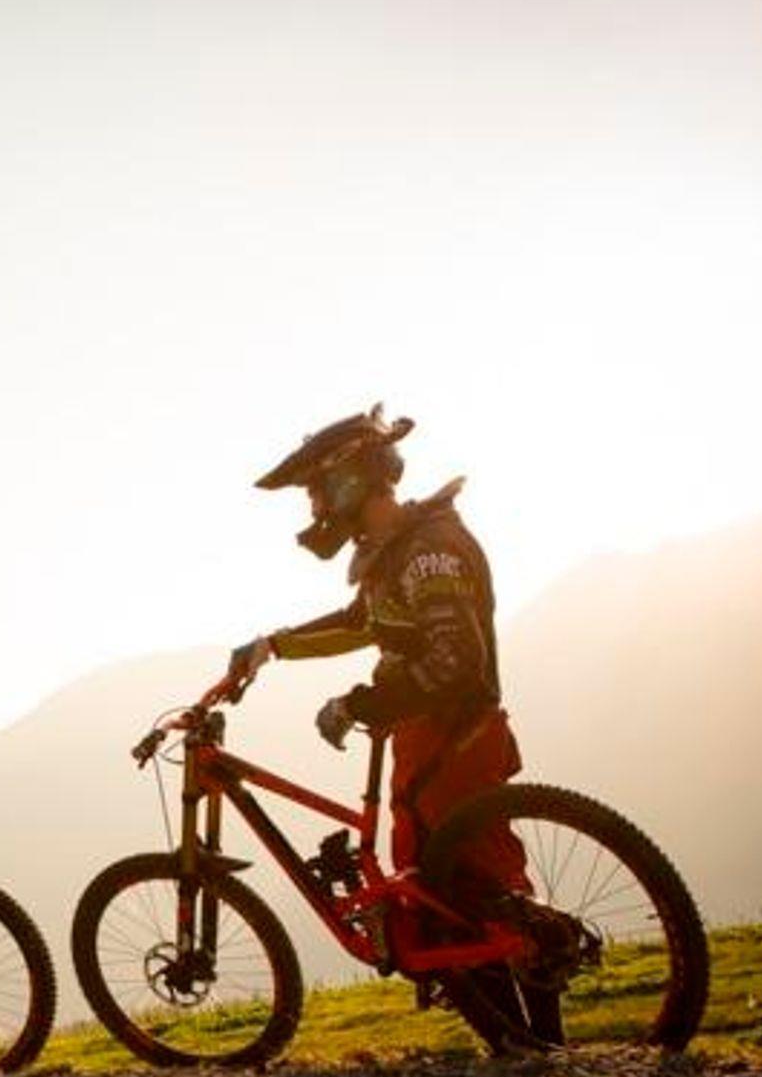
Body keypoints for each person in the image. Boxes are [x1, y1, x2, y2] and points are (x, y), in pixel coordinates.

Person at [228, 404, 557, 1042]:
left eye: (318, 490)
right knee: (455, 892)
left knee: (471, 892)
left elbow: (455, 661)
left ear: (350, 480)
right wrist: (273, 646)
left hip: (454, 735)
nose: (315, 507)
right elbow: (361, 623)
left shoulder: (429, 552)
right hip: (428, 736)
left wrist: (360, 705)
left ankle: (532, 1047)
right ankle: (523, 1049)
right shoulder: (397, 553)